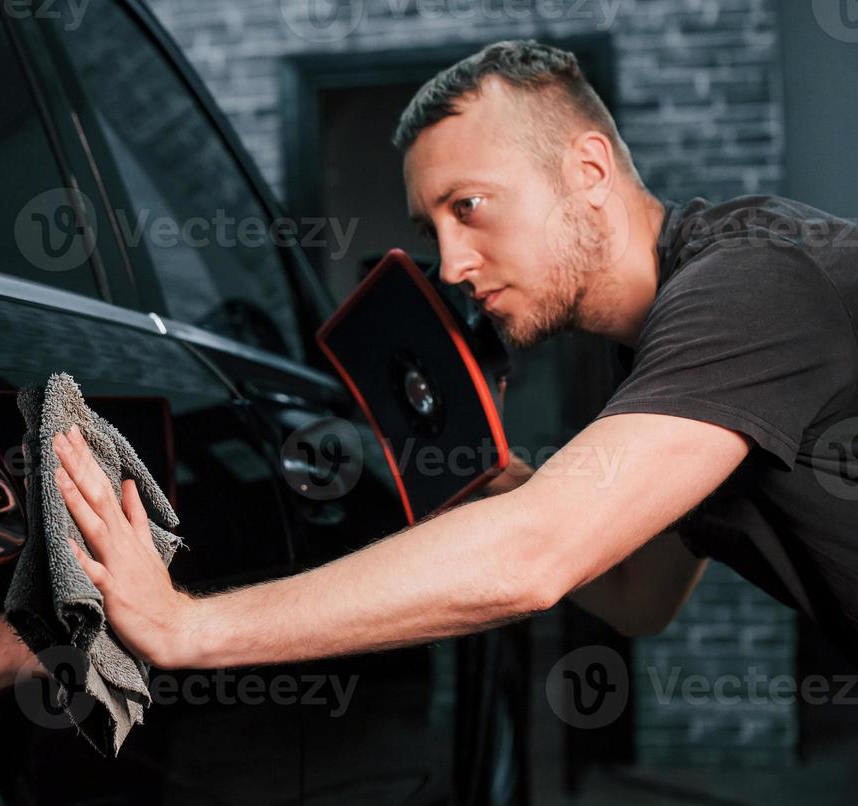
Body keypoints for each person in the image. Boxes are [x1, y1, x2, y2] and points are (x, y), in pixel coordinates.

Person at [50, 39, 857, 668]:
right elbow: (640, 597)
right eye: (430, 229)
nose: (454, 264)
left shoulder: (752, 282)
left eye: (469, 207)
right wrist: (516, 493)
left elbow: (537, 557)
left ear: (588, 169)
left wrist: (188, 626)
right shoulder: (658, 359)